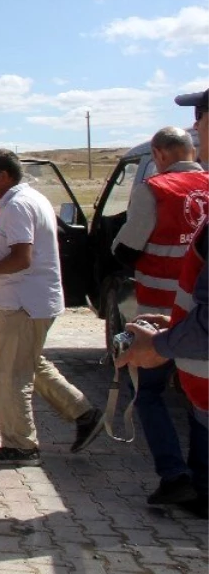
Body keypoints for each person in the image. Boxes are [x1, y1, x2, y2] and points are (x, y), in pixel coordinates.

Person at [0, 149, 104, 466]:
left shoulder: (16, 206)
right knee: (31, 363)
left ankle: (21, 445)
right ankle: (83, 412)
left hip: (25, 303)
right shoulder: (31, 199)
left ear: (4, 175)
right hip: (35, 300)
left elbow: (21, 258)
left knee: (9, 376)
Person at [116, 109, 209, 513]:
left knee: (149, 393)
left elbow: (128, 245)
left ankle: (174, 477)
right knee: (199, 398)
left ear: (158, 154)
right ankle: (203, 483)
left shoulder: (155, 188)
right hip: (198, 313)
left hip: (159, 308)